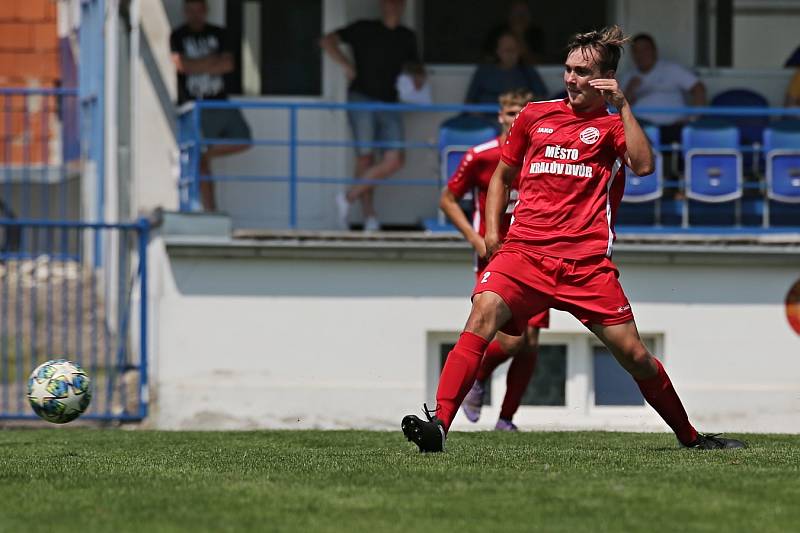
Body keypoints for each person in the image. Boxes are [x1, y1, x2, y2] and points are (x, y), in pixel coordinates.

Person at [401, 25, 746, 453]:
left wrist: (623, 107)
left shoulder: (612, 126)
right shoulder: (533, 115)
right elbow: (502, 178)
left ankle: (691, 438)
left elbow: (642, 166)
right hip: (525, 252)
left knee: (635, 356)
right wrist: (493, 233)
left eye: (581, 72)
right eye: (567, 69)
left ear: (604, 79)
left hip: (585, 265)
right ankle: (440, 426)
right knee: (480, 316)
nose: (570, 79)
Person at [440, 89, 550, 431]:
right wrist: (476, 238)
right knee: (510, 338)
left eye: (522, 111)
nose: (515, 118)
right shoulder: (482, 156)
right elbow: (447, 199)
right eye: (509, 112)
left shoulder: (543, 156)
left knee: (531, 343)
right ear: (500, 116)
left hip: (535, 252)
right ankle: (477, 378)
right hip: (495, 253)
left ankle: (506, 419)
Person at [320, 0, 422, 231]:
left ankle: (347, 198)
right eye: (389, 2)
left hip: (390, 101)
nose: (393, 6)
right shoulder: (363, 28)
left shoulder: (407, 36)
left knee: (395, 159)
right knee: (365, 158)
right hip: (362, 98)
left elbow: (415, 66)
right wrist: (346, 65)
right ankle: (369, 217)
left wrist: (418, 77)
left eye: (398, 2)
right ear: (381, 4)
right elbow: (327, 41)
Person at [170, 0, 251, 212]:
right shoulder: (178, 35)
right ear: (185, 12)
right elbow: (181, 66)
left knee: (242, 139)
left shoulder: (220, 34)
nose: (195, 15)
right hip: (192, 106)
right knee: (200, 166)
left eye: (199, 10)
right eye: (191, 10)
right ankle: (208, 211)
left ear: (206, 11)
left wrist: (195, 65)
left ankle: (204, 153)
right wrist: (210, 63)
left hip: (219, 102)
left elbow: (227, 64)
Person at [617, 33, 706, 144]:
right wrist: (630, 89)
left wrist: (693, 118)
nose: (641, 54)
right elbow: (620, 108)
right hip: (640, 128)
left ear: (654, 51)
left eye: (645, 49)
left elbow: (698, 88)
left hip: (674, 127)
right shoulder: (628, 77)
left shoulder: (671, 69)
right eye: (636, 51)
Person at [466, 31, 548, 106]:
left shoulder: (528, 71)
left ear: (519, 51)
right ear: (498, 51)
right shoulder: (484, 71)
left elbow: (542, 98)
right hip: (484, 119)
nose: (510, 54)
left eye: (513, 50)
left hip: (519, 118)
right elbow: (469, 102)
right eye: (506, 50)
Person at [483, 0, 546, 65]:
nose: (520, 17)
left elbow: (539, 65)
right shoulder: (496, 32)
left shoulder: (536, 33)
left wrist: (519, 36)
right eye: (516, 12)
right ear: (509, 14)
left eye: (524, 12)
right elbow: (487, 60)